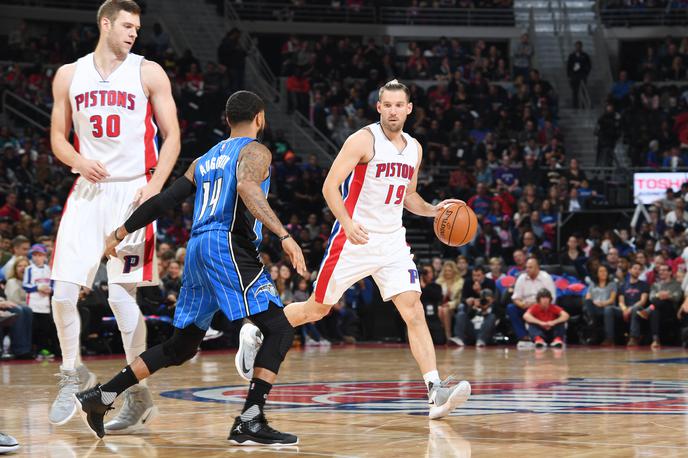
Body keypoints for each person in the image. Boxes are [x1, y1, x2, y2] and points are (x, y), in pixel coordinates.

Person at [74, 90, 307, 445]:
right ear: (260, 118)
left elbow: (166, 199)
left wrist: (121, 231)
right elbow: (247, 186)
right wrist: (284, 235)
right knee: (279, 328)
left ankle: (102, 396)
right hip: (227, 243)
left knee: (180, 347)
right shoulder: (256, 150)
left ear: (227, 120)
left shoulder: (204, 160)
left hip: (197, 248)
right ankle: (250, 418)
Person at [237, 79, 471, 420]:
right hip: (354, 237)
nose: (392, 111)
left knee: (414, 310)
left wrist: (435, 210)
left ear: (409, 109)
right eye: (386, 105)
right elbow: (330, 185)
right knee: (318, 309)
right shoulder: (363, 139)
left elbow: (408, 196)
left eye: (398, 105)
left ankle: (435, 390)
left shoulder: (414, 149)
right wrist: (346, 223)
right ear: (379, 107)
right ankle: (258, 328)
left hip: (392, 241)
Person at [48, 0, 181, 430]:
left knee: (122, 298)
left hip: (131, 192)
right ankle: (72, 372)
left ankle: (137, 395)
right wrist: (77, 160)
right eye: (126, 26)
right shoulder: (69, 75)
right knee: (63, 293)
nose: (133, 33)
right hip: (88, 190)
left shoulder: (148, 71)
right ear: (105, 24)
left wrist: (156, 186)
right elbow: (57, 138)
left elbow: (173, 136)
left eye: (137, 29)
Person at [506, 257, 556, 349]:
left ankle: (540, 337)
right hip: (525, 306)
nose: (527, 269)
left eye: (530, 267)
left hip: (541, 307)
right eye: (527, 267)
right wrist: (520, 304)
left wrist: (534, 304)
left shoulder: (546, 277)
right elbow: (515, 297)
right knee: (511, 308)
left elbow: (552, 299)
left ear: (537, 268)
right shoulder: (521, 278)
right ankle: (524, 337)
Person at [583, 264, 619, 345]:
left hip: (606, 307)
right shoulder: (592, 284)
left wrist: (602, 303)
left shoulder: (612, 284)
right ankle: (592, 320)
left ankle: (592, 322)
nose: (603, 273)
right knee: (588, 301)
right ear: (597, 273)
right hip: (594, 307)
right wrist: (595, 302)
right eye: (601, 271)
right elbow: (588, 297)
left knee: (593, 309)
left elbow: (612, 299)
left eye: (605, 271)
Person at [622, 262, 650, 347]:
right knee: (609, 309)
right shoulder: (623, 285)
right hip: (625, 309)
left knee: (635, 309)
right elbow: (620, 301)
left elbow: (643, 301)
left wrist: (630, 308)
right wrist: (624, 309)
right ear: (629, 270)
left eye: (639, 269)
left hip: (639, 309)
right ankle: (610, 338)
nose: (637, 271)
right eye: (635, 268)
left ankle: (634, 337)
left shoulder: (644, 284)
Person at [567, 41, 591, 108]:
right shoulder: (571, 56)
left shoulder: (585, 55)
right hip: (574, 76)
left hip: (582, 75)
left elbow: (589, 65)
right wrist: (569, 75)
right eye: (577, 46)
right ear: (575, 47)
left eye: (579, 46)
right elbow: (569, 66)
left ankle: (583, 105)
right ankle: (575, 105)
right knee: (575, 91)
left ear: (581, 47)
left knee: (583, 90)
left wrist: (586, 73)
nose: (578, 47)